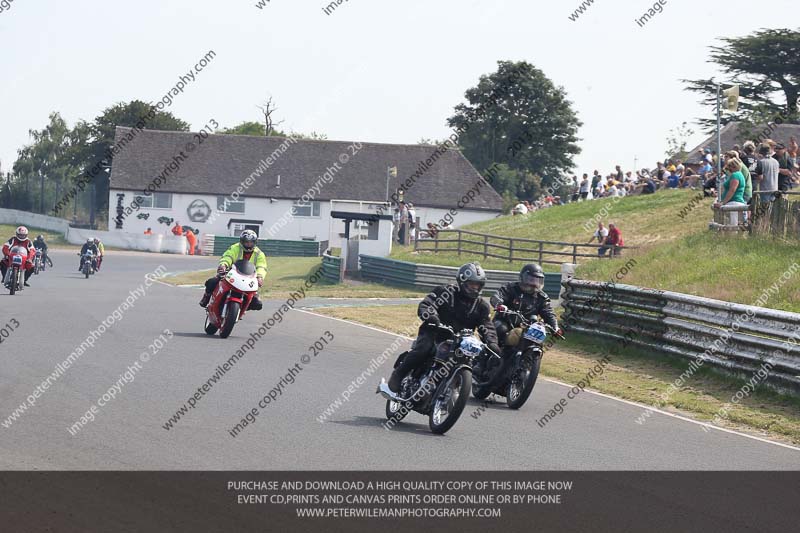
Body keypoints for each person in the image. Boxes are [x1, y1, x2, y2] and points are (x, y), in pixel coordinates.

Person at [387, 262, 500, 394]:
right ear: (462, 282)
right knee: (423, 349)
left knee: (471, 358)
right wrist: (431, 316)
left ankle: (452, 386)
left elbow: (486, 325)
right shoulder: (445, 292)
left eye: (477, 285)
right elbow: (427, 304)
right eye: (471, 284)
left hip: (460, 341)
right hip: (434, 332)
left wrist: (492, 341)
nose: (474, 288)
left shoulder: (482, 306)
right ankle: (398, 375)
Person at [490, 263, 559, 349]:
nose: (534, 284)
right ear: (522, 278)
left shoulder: (541, 298)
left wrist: (555, 327)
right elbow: (497, 296)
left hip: (528, 327)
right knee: (500, 329)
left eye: (537, 280)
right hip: (506, 321)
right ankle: (493, 355)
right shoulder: (510, 288)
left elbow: (548, 312)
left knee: (537, 343)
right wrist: (500, 305)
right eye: (531, 279)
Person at [198, 230, 265, 310]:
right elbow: (228, 256)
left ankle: (242, 309)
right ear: (241, 241)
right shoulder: (235, 248)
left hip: (249, 278)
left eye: (251, 242)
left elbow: (261, 266)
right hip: (231, 273)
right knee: (212, 282)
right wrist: (223, 265)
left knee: (257, 303)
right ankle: (206, 297)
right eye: (246, 242)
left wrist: (260, 277)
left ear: (255, 242)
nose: (248, 244)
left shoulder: (259, 254)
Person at [714, 159, 746, 226]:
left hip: (733, 203)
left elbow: (732, 190)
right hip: (736, 203)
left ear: (733, 166)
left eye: (729, 166)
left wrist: (723, 203)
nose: (728, 168)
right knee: (738, 226)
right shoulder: (739, 174)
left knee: (732, 226)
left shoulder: (735, 175)